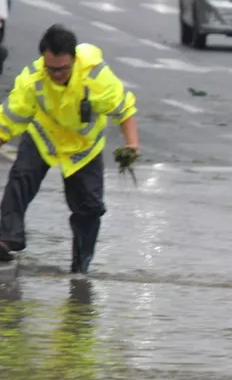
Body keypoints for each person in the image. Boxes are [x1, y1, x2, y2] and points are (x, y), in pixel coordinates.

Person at [0, 24, 140, 275]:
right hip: (44, 136)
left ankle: (80, 269)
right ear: (43, 59)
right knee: (20, 179)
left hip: (83, 147)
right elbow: (8, 121)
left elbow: (124, 111)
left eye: (62, 69)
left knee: (89, 207)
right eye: (50, 69)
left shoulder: (97, 78)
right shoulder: (33, 79)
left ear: (74, 60)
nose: (56, 75)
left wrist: (131, 145)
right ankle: (6, 240)